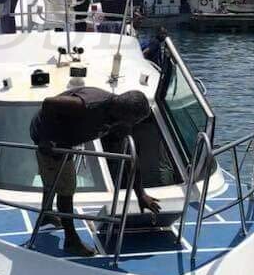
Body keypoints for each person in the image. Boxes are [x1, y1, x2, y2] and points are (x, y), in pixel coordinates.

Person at [30, 88, 160, 256]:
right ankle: (71, 241)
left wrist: (140, 193)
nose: (134, 124)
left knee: (54, 178)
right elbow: (49, 104)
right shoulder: (89, 105)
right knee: (66, 187)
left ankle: (46, 214)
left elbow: (129, 155)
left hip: (66, 137)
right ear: (126, 113)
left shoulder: (121, 121)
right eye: (135, 120)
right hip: (48, 136)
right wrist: (46, 139)